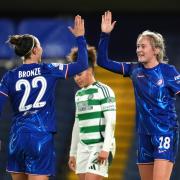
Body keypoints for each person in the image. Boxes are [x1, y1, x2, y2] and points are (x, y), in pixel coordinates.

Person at [0, 15, 88, 180]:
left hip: (17, 137)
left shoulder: (9, 76)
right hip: (40, 136)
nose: (41, 49)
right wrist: (80, 38)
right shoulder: (48, 69)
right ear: (34, 50)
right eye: (39, 46)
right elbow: (82, 64)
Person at [97, 10, 180, 180]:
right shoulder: (133, 70)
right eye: (137, 46)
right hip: (143, 136)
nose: (138, 50)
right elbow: (102, 62)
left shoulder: (168, 72)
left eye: (143, 46)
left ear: (156, 50)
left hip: (165, 133)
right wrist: (105, 35)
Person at [68, 46, 116, 180]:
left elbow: (111, 122)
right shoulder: (79, 95)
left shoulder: (104, 91)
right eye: (74, 75)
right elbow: (77, 124)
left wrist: (106, 148)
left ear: (89, 70)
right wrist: (73, 153)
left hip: (99, 145)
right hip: (83, 148)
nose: (76, 78)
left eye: (79, 74)